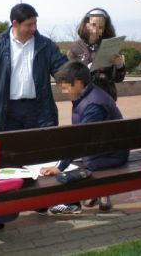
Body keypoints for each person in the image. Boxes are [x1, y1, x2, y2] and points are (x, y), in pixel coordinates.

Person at [40, 61, 129, 214]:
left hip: (110, 155)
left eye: (64, 85)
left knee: (73, 168)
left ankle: (71, 203)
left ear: (78, 83)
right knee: (73, 159)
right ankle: (82, 197)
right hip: (105, 149)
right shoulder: (89, 95)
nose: (62, 90)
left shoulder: (92, 105)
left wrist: (59, 167)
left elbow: (80, 140)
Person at [0, 3, 68, 132]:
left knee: (41, 149)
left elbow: (62, 69)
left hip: (39, 109)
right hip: (8, 111)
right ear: (15, 24)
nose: (34, 28)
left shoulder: (46, 45)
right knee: (11, 150)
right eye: (29, 24)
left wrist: (77, 73)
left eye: (35, 23)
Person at [69, 8, 126, 101]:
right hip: (84, 100)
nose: (96, 30)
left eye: (100, 27)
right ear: (86, 24)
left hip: (107, 98)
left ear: (105, 29)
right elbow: (69, 78)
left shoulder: (111, 45)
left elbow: (118, 79)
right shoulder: (75, 47)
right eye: (93, 25)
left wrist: (119, 66)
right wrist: (87, 68)